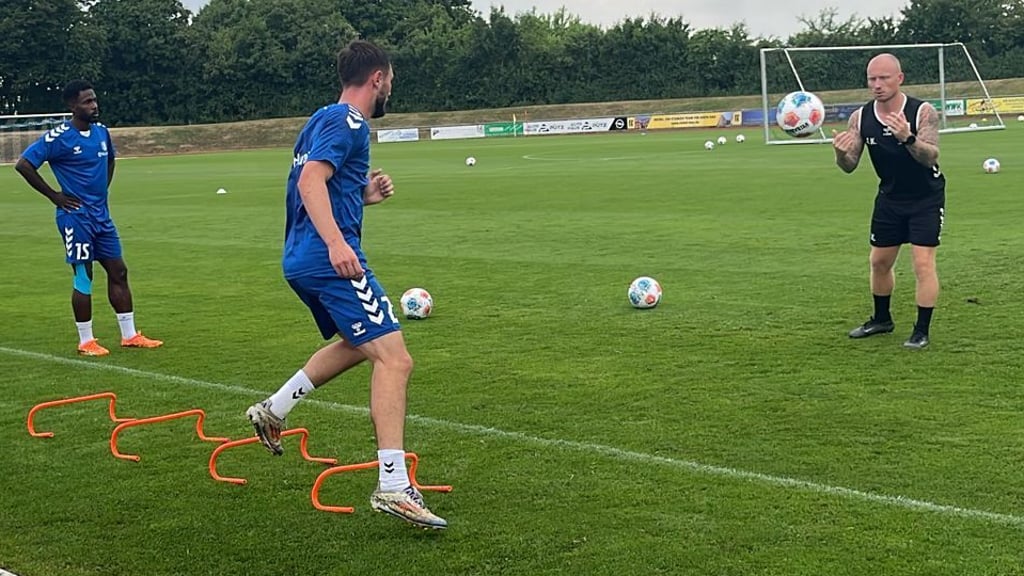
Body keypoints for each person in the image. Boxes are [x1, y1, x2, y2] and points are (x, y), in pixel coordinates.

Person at [245, 40, 447, 530]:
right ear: (377, 77)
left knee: (360, 345)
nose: (391, 87)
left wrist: (364, 196)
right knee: (396, 359)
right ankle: (394, 486)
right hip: (327, 258)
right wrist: (339, 245)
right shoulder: (350, 122)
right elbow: (311, 182)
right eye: (391, 79)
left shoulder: (321, 118)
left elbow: (321, 185)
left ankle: (274, 410)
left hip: (301, 258)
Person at [15, 80, 163, 356]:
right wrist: (55, 196)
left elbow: (110, 162)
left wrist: (101, 192)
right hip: (76, 217)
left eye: (94, 100)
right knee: (84, 275)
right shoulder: (58, 137)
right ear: (72, 106)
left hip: (101, 216)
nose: (94, 106)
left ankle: (129, 335)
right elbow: (24, 165)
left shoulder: (102, 133)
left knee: (118, 270)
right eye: (87, 102)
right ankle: (86, 341)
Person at [832, 53, 945, 350]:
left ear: (899, 78)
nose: (877, 85)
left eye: (884, 78)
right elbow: (850, 165)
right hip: (889, 199)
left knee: (922, 263)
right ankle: (882, 320)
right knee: (879, 262)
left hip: (925, 198)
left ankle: (921, 331)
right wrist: (840, 153)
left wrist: (907, 137)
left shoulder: (922, 112)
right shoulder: (860, 117)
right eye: (872, 79)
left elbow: (931, 155)